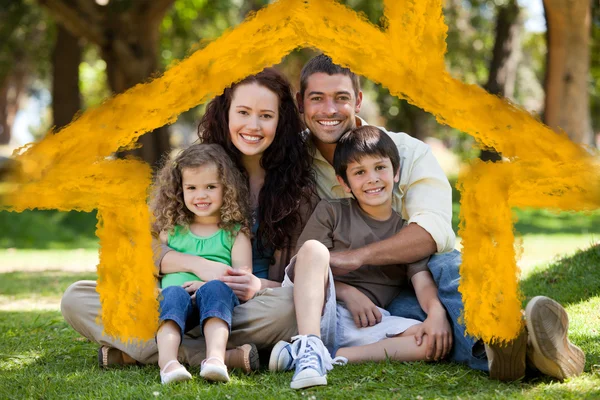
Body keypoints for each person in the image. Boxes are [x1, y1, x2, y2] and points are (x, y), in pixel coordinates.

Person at [279, 53, 585, 382]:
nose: (329, 110)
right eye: (317, 99)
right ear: (300, 103)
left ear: (358, 100)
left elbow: (430, 235)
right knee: (431, 329)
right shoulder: (292, 160)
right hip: (367, 300)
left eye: (340, 97)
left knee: (446, 266)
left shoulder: (405, 152)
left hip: (419, 277)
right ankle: (525, 349)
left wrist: (355, 258)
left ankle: (506, 341)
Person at [60, 68, 317, 371]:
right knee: (76, 298)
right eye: (243, 112)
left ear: (281, 121)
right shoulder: (195, 168)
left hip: (242, 308)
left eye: (265, 115)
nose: (253, 125)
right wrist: (196, 265)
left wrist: (256, 285)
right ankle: (222, 355)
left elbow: (301, 280)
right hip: (173, 299)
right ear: (226, 114)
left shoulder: (297, 189)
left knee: (290, 309)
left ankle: (147, 351)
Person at [270, 126, 453, 389]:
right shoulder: (331, 212)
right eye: (359, 172)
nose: (372, 179)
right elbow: (303, 266)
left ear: (396, 172)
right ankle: (309, 346)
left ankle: (333, 357)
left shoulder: (404, 234)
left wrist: (436, 313)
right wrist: (347, 293)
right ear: (344, 183)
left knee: (427, 341)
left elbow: (422, 281)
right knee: (313, 250)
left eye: (380, 168)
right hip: (319, 307)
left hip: (367, 322)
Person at [151, 144, 253, 384]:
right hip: (173, 304)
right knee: (172, 295)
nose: (201, 195)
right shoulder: (171, 231)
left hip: (216, 306)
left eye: (210, 187)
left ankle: (215, 360)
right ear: (180, 190)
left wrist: (206, 283)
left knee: (215, 290)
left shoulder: (235, 234)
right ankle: (168, 363)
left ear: (226, 189)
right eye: (192, 188)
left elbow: (242, 279)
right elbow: (152, 270)